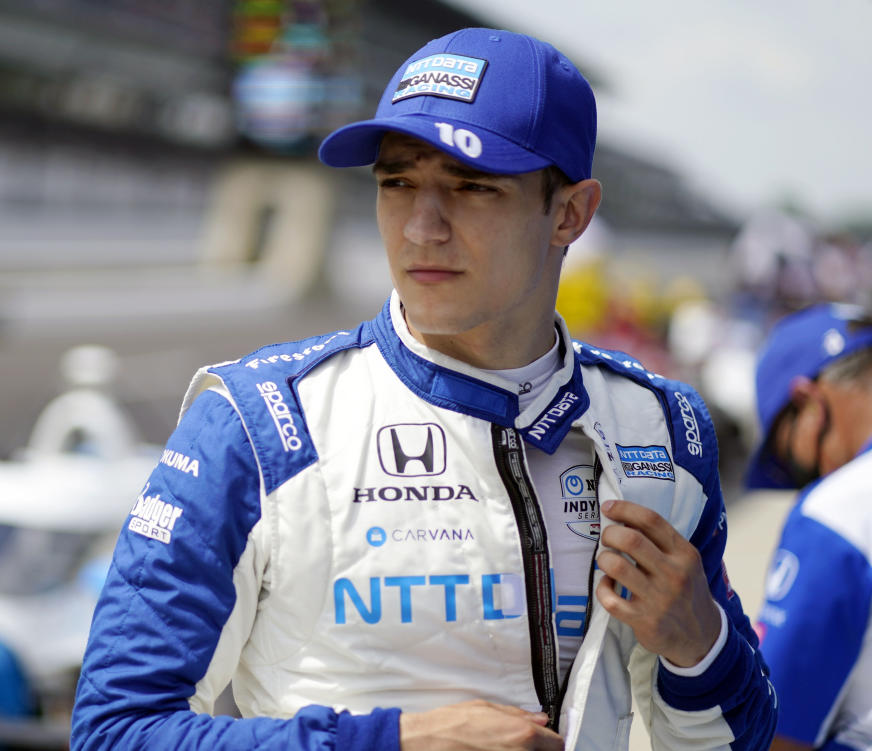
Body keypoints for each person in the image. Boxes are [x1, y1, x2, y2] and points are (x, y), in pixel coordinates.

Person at [71, 27, 777, 751]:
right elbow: (114, 731)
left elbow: (739, 737)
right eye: (397, 182)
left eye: (471, 187)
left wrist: (704, 650)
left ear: (570, 213)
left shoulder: (662, 428)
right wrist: (396, 742)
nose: (420, 227)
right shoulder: (260, 425)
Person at [746, 303, 872, 750]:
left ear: (808, 402)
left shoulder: (839, 509)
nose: (807, 481)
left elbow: (779, 730)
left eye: (791, 464)